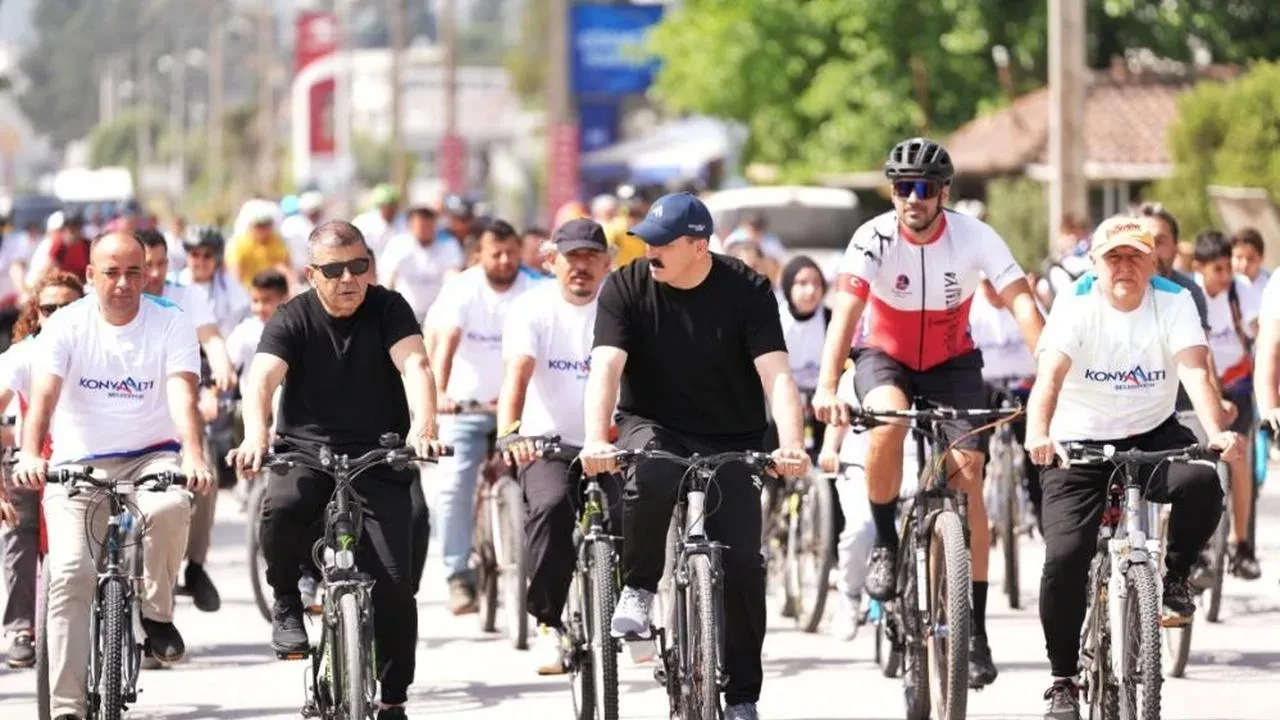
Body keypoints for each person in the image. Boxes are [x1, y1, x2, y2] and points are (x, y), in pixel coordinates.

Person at [811, 137, 1044, 687]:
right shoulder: (872, 237)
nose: (913, 198)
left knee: (969, 473)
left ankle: (977, 632)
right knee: (887, 423)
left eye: (925, 188)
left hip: (952, 361)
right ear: (891, 192)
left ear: (943, 193)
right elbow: (845, 314)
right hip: (884, 357)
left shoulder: (974, 237)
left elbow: (1022, 305)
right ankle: (887, 545)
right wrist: (826, 384)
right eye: (902, 187)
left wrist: (1053, 377)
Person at [579, 192, 810, 720]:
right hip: (653, 424)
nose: (649, 250)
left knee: (746, 566)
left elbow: (776, 375)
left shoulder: (747, 289)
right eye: (646, 240)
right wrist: (597, 437)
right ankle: (638, 587)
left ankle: (743, 697)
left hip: (734, 434)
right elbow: (607, 369)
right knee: (654, 474)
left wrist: (790, 445)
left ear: (699, 247)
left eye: (662, 243)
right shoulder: (626, 286)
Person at [228, 220, 445, 720]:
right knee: (281, 505)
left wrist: (424, 428)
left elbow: (416, 365)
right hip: (307, 451)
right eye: (334, 269)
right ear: (311, 273)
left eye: (359, 266)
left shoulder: (389, 308)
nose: (349, 278)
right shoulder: (291, 317)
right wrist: (256, 435)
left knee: (394, 583)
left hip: (379, 454)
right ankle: (286, 599)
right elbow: (261, 379)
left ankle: (393, 697)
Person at [1025, 215, 1237, 720]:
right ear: (1095, 263)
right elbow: (1048, 381)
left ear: (1153, 260)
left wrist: (1216, 430)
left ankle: (1176, 577)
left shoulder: (1174, 299)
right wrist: (1039, 433)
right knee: (1065, 556)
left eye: (1135, 255)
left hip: (1152, 431)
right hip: (1080, 439)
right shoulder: (1076, 303)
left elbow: (1193, 369)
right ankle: (1062, 679)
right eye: (1113, 256)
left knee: (1203, 482)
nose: (1125, 265)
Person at [12, 232, 216, 720]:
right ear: (90, 277)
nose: (123, 284)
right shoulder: (67, 326)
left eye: (133, 272)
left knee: (170, 507)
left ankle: (157, 614)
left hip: (153, 456)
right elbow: (42, 399)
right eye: (111, 273)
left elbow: (183, 396)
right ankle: (66, 708)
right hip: (77, 464)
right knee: (68, 575)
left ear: (147, 274)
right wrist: (27, 454)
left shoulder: (170, 321)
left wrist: (192, 455)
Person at [496, 218, 620, 674]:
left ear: (607, 264)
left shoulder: (622, 306)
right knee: (549, 509)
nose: (581, 266)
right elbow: (518, 374)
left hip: (611, 441)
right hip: (547, 442)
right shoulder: (532, 309)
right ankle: (550, 621)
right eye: (573, 257)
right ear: (552, 262)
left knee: (639, 509)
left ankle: (631, 609)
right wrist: (510, 431)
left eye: (591, 257)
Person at [426, 218, 536, 613]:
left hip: (520, 410)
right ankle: (459, 575)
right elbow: (446, 344)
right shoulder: (463, 289)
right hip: (467, 406)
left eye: (511, 253)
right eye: (496, 253)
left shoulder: (535, 288)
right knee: (453, 486)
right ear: (480, 255)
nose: (505, 261)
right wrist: (438, 393)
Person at [135, 229, 237, 613]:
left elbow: (210, 338)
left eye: (162, 263)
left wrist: (223, 368)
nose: (156, 273)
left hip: (180, 407)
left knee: (203, 473)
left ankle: (194, 566)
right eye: (147, 266)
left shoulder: (186, 295)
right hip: (126, 409)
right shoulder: (114, 299)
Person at [0, 272, 84, 670]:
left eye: (69, 307)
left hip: (89, 461)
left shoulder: (104, 347)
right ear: (36, 314)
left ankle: (122, 614)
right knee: (19, 533)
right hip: (29, 461)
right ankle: (21, 629)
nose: (59, 315)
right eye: (50, 308)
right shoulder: (22, 355)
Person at [1191, 230, 1262, 579]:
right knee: (1198, 462)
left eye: (1226, 268)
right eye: (1216, 269)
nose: (1224, 275)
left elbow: (1259, 329)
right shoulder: (1189, 297)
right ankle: (1197, 543)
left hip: (1238, 384)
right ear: (1198, 269)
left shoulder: (1240, 291)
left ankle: (1241, 543)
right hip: (1202, 386)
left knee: (1240, 460)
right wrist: (1213, 395)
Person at [377, 200, 465, 324]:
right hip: (404, 313)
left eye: (428, 224)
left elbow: (452, 277)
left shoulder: (448, 244)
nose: (424, 229)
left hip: (438, 315)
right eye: (420, 225)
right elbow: (387, 279)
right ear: (410, 225)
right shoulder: (398, 245)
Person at [226, 201, 292, 290]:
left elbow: (286, 269)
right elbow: (235, 277)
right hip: (248, 292)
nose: (263, 229)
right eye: (259, 225)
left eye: (267, 224)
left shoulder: (277, 241)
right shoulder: (238, 245)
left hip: (274, 291)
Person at [352, 183, 404, 259]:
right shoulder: (363, 222)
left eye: (391, 207)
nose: (388, 210)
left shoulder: (406, 222)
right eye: (385, 207)